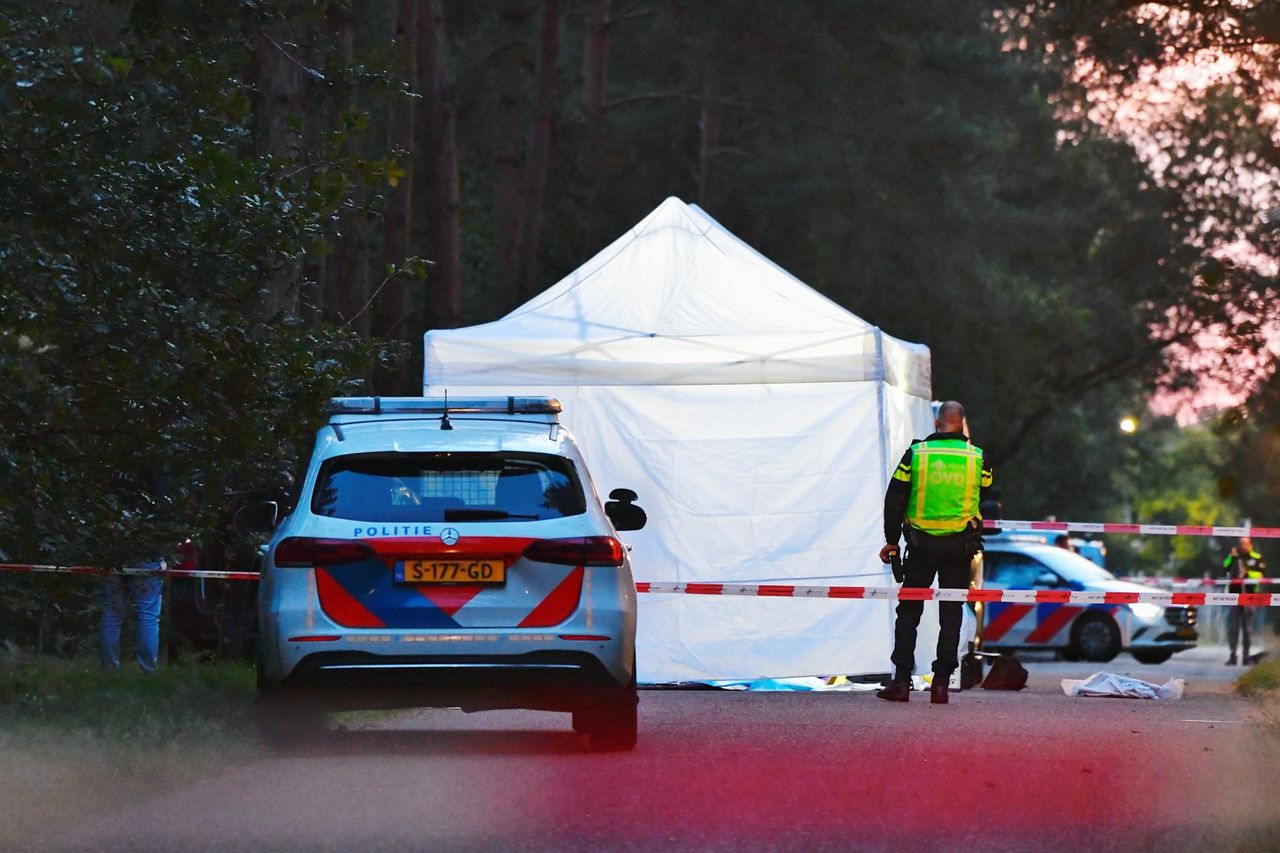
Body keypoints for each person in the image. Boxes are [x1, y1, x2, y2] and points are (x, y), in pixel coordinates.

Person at [877, 401, 993, 704]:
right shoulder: (978, 458)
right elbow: (986, 492)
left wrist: (892, 541)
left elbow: (894, 498)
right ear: (962, 423)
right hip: (959, 547)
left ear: (937, 422)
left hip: (921, 546)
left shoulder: (917, 454)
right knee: (951, 613)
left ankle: (901, 682)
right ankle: (941, 684)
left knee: (909, 611)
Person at [100, 561, 164, 672]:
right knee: (148, 617)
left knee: (111, 615)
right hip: (148, 559)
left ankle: (109, 670)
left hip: (114, 558)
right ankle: (149, 671)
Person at [1223, 536, 1265, 666]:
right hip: (1234, 597)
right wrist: (1231, 557)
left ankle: (1246, 657)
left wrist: (1247, 573)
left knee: (1247, 630)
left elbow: (1260, 575)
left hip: (1250, 597)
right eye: (1241, 544)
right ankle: (1233, 656)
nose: (1243, 546)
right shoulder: (1235, 557)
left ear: (1250, 545)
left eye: (1245, 544)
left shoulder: (1256, 558)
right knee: (1233, 628)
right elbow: (1225, 567)